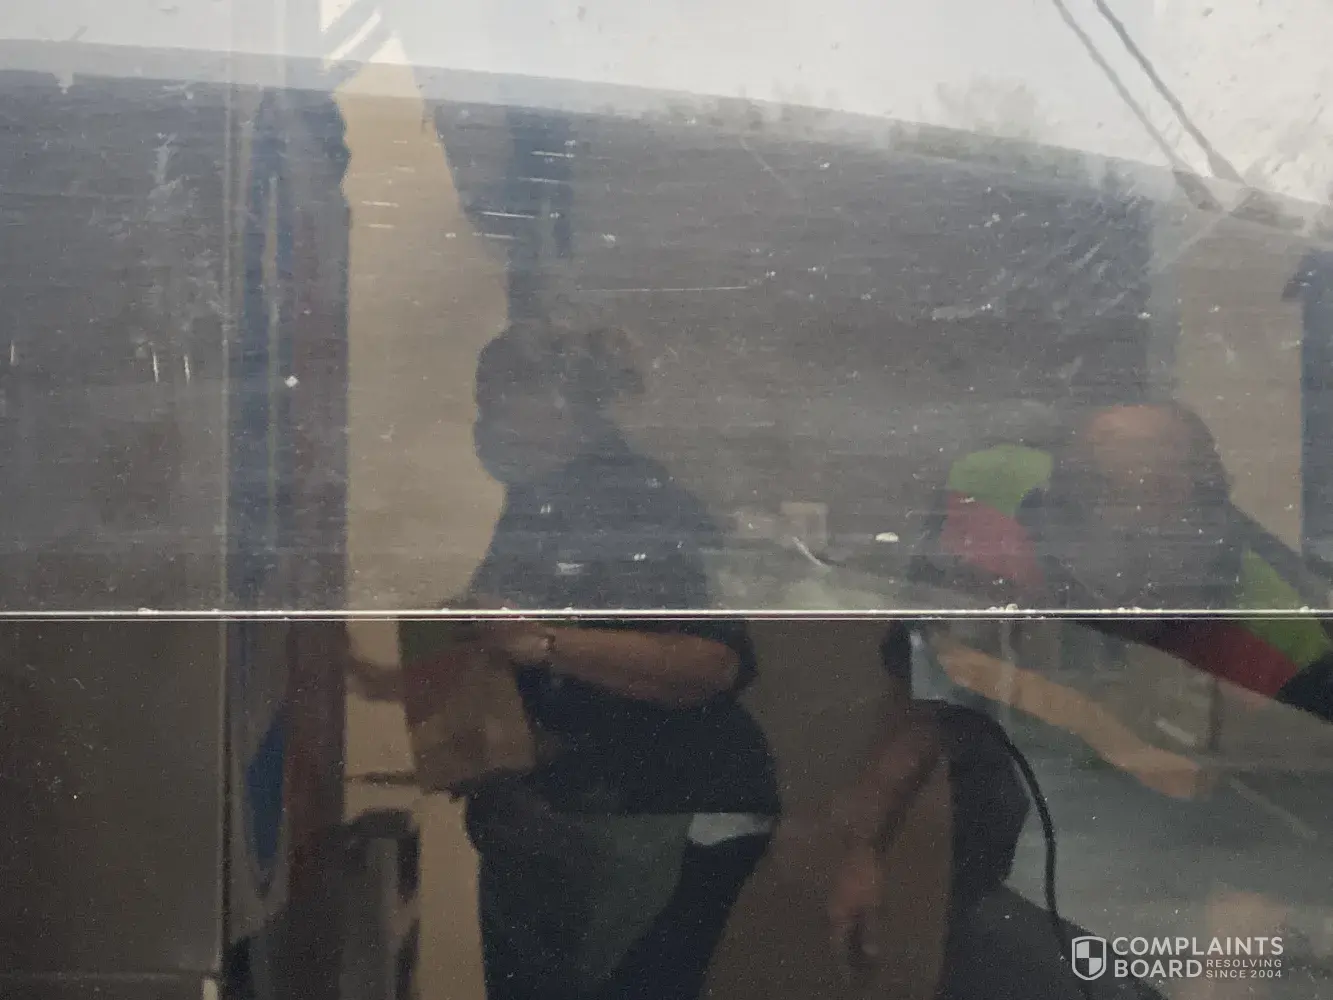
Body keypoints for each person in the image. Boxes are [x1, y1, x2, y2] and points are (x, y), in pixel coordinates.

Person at [829, 401, 1333, 997]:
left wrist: (1244, 942)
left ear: (1212, 511)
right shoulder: (985, 515)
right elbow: (924, 702)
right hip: (1012, 883)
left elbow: (1295, 818)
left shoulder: (1281, 631)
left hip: (1193, 895)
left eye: (1163, 496)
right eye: (1103, 495)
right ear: (1058, 500)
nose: (1133, 521)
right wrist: (862, 849)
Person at [397, 320, 780, 1000]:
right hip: (566, 807)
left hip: (656, 807)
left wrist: (547, 641)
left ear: (560, 404)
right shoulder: (540, 499)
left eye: (497, 404)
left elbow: (708, 663)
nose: (485, 425)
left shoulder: (632, 502)